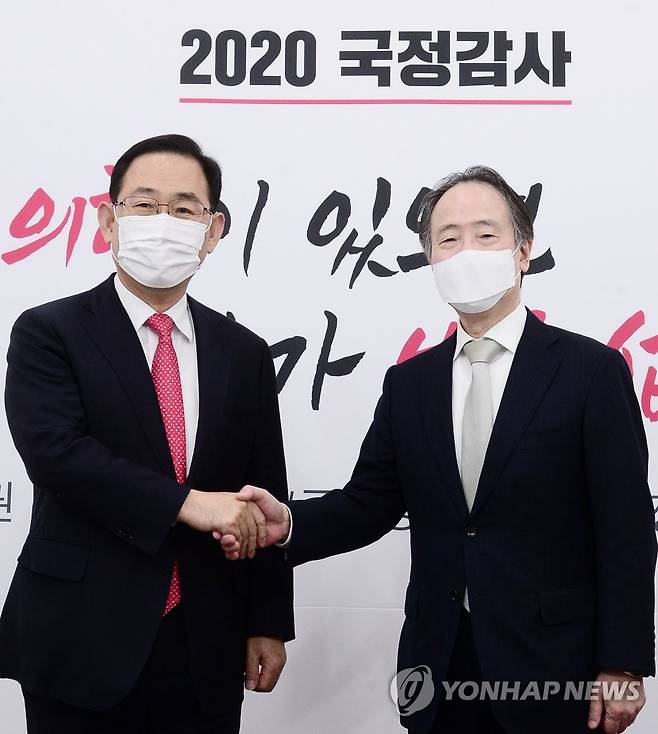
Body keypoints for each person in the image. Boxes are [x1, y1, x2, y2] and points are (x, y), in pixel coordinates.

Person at [219, 166, 656, 734]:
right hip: (440, 661)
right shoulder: (411, 384)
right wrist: (290, 524)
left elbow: (626, 529)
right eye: (448, 239)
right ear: (430, 260)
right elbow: (369, 503)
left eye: (486, 235)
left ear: (523, 252)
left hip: (555, 665)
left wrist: (623, 662)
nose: (466, 251)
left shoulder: (590, 372)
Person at [0, 134, 293, 734]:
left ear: (212, 232)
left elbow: (263, 492)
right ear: (109, 222)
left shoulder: (244, 353)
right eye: (144, 204)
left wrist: (267, 620)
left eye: (185, 209)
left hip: (205, 640)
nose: (164, 221)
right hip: (80, 632)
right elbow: (57, 455)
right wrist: (188, 504)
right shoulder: (49, 331)